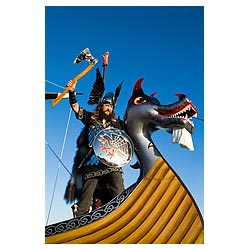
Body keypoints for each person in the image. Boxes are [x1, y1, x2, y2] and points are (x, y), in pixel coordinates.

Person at [64, 79, 125, 216]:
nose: (109, 108)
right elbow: (76, 108)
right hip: (92, 163)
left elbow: (128, 138)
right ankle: (81, 219)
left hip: (111, 162)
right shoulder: (90, 118)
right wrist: (72, 92)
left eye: (111, 106)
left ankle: (120, 214)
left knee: (119, 189)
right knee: (85, 200)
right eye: (106, 105)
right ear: (101, 105)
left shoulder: (117, 124)